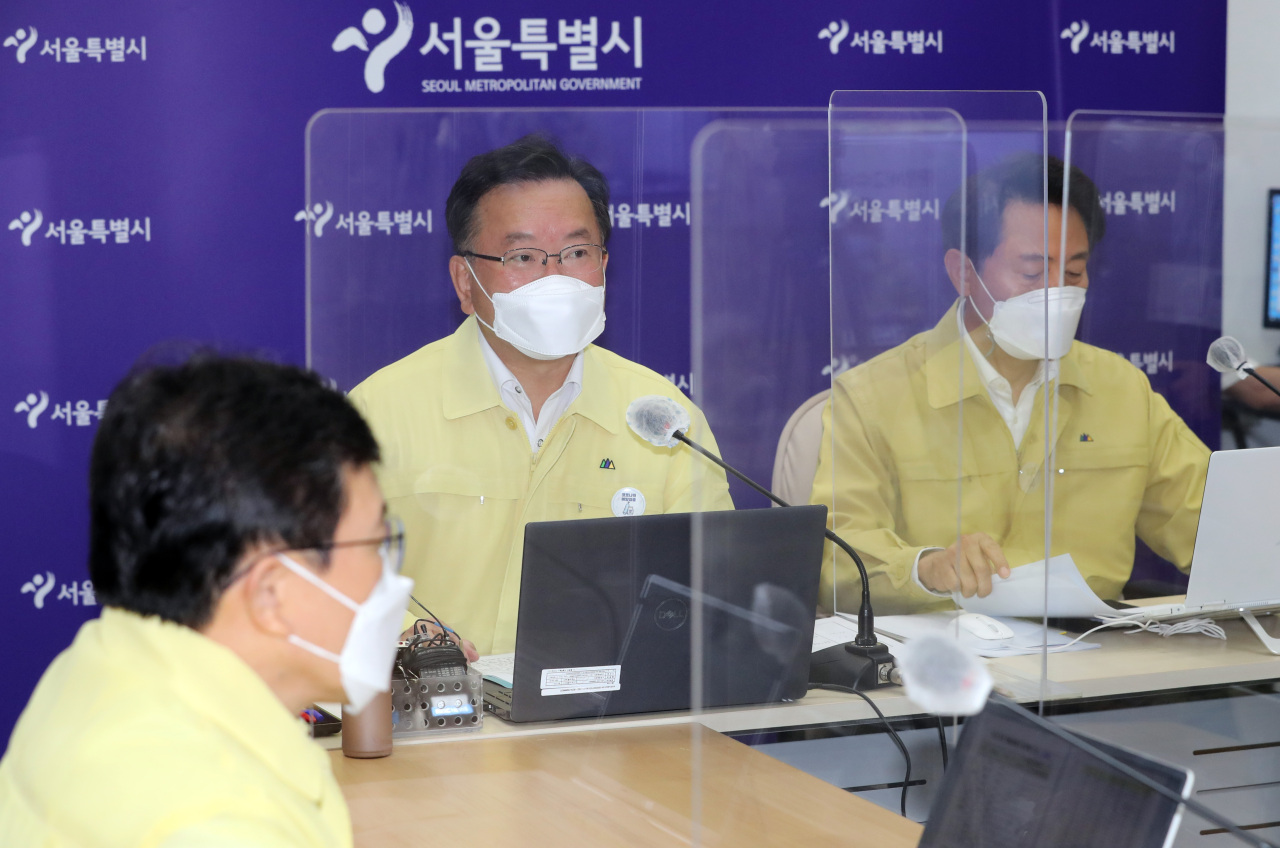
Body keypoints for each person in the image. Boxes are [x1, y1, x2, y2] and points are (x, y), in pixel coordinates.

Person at [0, 356, 409, 847]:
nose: (391, 577)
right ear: (272, 594)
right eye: (375, 545)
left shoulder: (104, 663)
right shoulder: (215, 821)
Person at [349, 134, 732, 655]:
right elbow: (329, 581)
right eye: (523, 256)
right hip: (435, 721)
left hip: (613, 722)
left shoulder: (662, 419)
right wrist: (410, 643)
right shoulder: (377, 415)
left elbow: (716, 591)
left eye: (576, 252)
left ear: (603, 264)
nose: (554, 277)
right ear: (465, 282)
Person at [810, 154, 1210, 616]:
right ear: (963, 272)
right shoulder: (872, 398)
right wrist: (927, 568)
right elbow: (833, 564)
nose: (1057, 292)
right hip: (936, 667)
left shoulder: (1122, 391)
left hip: (1097, 668)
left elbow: (1211, 527)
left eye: (1075, 272)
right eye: (1033, 273)